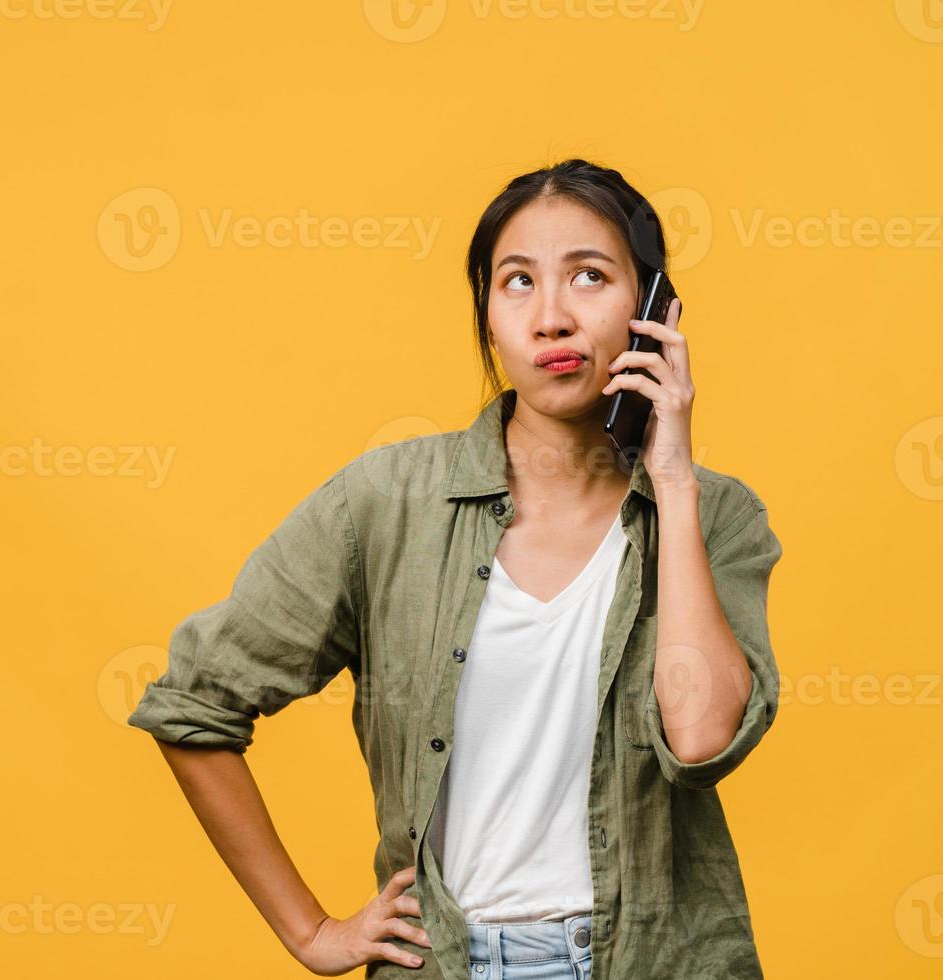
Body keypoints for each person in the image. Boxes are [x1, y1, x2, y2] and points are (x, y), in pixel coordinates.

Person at [127, 158, 784, 980]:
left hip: (657, 962)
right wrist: (312, 932)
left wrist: (674, 479)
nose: (552, 318)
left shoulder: (715, 516)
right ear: (487, 319)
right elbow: (194, 705)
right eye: (517, 282)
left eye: (589, 276)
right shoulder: (385, 502)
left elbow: (698, 739)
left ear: (654, 311)